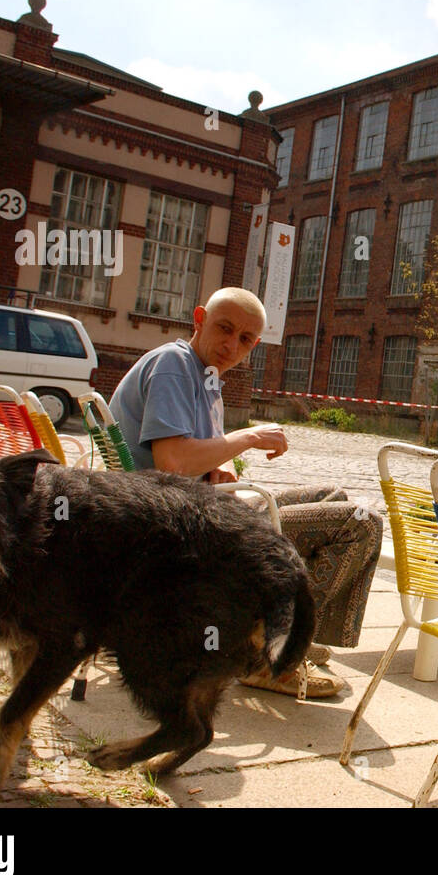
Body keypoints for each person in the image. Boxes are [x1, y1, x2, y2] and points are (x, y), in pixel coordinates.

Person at [108, 287, 382, 699]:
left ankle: (279, 636)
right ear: (199, 319)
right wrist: (248, 437)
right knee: (359, 524)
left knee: (335, 495)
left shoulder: (203, 376)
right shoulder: (173, 365)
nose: (231, 345)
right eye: (224, 329)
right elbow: (175, 462)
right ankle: (261, 655)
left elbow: (196, 457)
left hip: (195, 511)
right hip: (178, 529)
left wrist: (218, 461)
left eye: (245, 339)